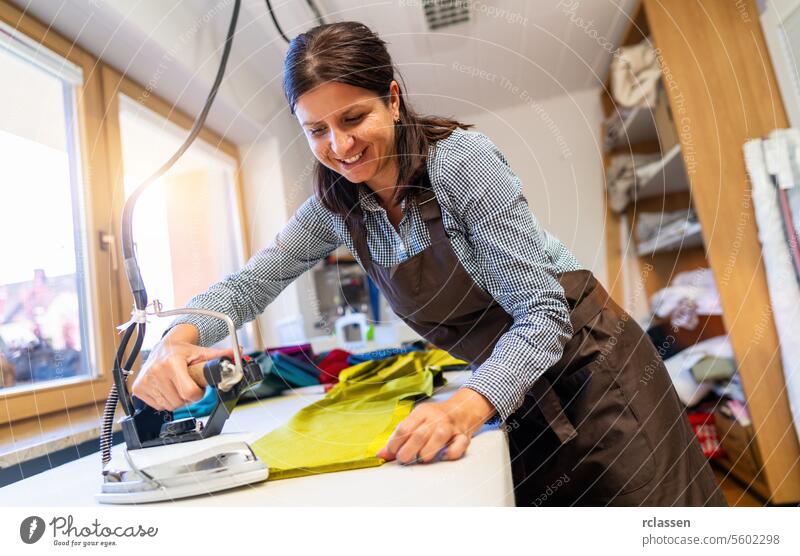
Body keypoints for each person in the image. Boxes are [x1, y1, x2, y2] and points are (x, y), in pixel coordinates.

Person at [132, 21, 725, 506]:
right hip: (515, 391)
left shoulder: (460, 163)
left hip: (596, 371)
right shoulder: (338, 206)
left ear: (391, 99)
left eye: (353, 118)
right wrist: (177, 338)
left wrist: (468, 404)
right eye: (316, 130)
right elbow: (247, 286)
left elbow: (543, 315)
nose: (339, 147)